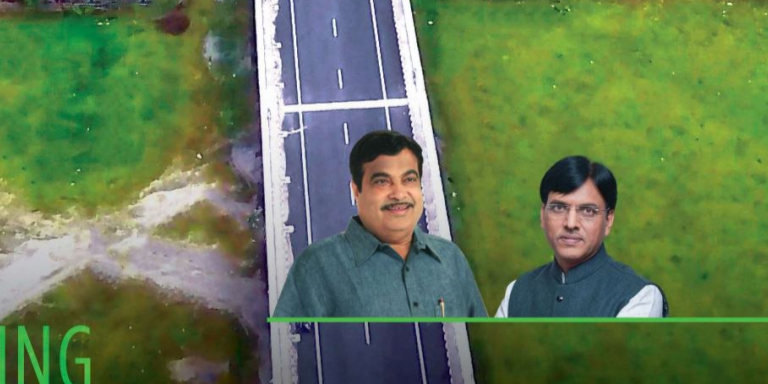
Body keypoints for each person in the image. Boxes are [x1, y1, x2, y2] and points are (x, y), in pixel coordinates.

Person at [273, 129, 486, 320]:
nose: (399, 193)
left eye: (409, 179)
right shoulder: (316, 267)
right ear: (356, 191)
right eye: (382, 182)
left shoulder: (450, 258)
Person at [496, 155, 666, 317]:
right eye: (558, 208)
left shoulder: (639, 296)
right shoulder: (517, 291)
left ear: (608, 221)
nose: (570, 223)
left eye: (587, 211)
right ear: (542, 215)